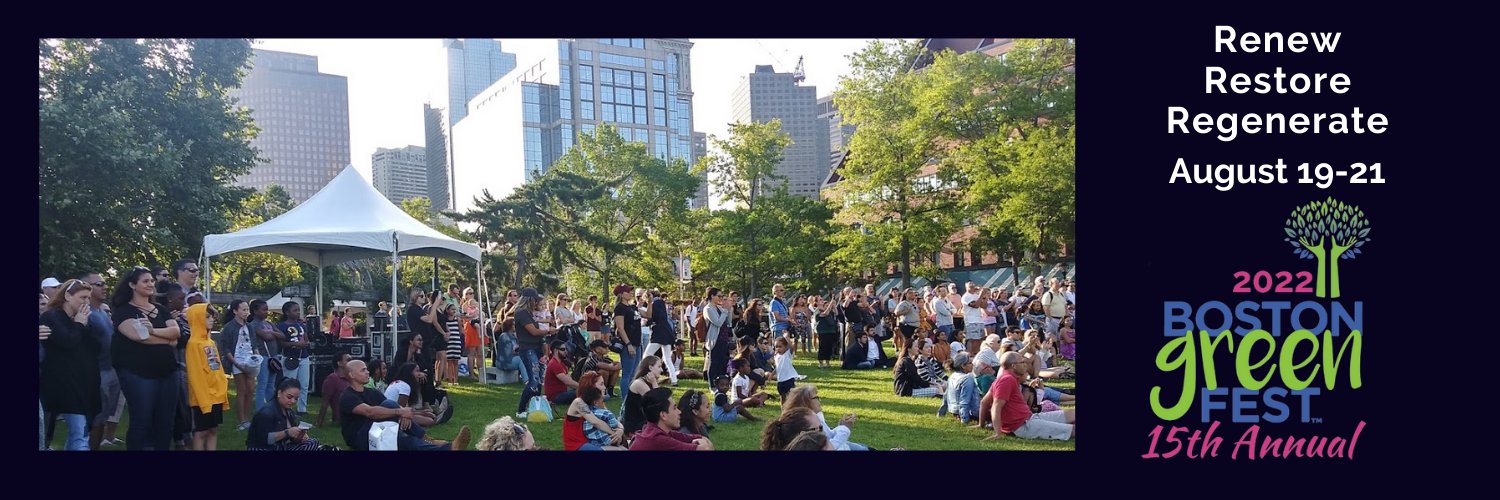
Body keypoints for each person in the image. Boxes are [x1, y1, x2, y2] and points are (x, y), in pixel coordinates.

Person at [110, 267, 181, 450]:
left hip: (167, 372)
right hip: (138, 374)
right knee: (142, 420)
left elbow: (176, 332)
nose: (151, 284)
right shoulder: (124, 311)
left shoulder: (161, 309)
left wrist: (152, 330)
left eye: (151, 281)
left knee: (165, 421)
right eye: (145, 281)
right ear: (132, 285)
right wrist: (167, 339)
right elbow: (139, 337)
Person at [339, 360, 471, 451]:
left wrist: (407, 413)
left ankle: (448, 447)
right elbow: (370, 412)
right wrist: (400, 412)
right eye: (363, 370)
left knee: (407, 440)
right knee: (392, 409)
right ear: (351, 375)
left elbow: (391, 408)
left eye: (367, 369)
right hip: (360, 436)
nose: (368, 372)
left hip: (379, 429)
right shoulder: (347, 396)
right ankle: (433, 441)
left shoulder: (372, 392)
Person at [40, 279, 103, 451]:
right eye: (82, 297)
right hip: (65, 384)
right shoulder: (52, 316)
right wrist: (79, 324)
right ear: (67, 296)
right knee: (79, 433)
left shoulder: (81, 318)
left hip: (84, 382)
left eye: (88, 298)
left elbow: (96, 347)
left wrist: (85, 324)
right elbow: (68, 342)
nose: (86, 302)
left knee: (80, 432)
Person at [78, 271, 123, 449]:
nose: (105, 287)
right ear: (86, 287)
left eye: (104, 283)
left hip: (111, 369)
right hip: (96, 372)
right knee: (93, 419)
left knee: (103, 418)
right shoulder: (85, 313)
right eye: (99, 284)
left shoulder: (102, 312)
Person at [986, 352, 1074, 441]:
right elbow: (996, 406)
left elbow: (984, 402)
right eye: (1022, 362)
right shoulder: (1007, 380)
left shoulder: (1006, 379)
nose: (1025, 364)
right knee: (1072, 429)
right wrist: (997, 433)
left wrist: (981, 424)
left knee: (1073, 414)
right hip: (1023, 426)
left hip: (1030, 418)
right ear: (1013, 366)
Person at [183, 303, 228, 450]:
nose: (211, 320)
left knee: (213, 430)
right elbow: (195, 375)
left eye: (211, 317)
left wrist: (222, 389)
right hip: (203, 397)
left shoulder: (210, 342)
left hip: (216, 395)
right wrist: (204, 400)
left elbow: (218, 368)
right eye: (207, 317)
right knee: (201, 431)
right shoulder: (193, 344)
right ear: (197, 319)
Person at [247, 379, 338, 450]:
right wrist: (287, 432)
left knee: (313, 442)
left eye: (296, 399)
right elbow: (264, 440)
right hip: (263, 448)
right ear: (279, 393)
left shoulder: (289, 412)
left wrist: (299, 436)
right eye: (289, 397)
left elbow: (293, 439)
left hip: (280, 447)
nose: (293, 401)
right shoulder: (267, 413)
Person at [218, 300, 264, 431]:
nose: (246, 312)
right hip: (237, 361)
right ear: (235, 311)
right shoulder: (229, 327)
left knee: (250, 390)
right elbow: (226, 348)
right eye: (243, 310)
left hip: (250, 361)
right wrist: (236, 363)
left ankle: (247, 420)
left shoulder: (249, 326)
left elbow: (254, 344)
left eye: (247, 309)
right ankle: (241, 420)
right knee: (242, 391)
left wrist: (257, 357)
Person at [782, 385, 869, 451]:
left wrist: (841, 426)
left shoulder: (814, 416)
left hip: (842, 445)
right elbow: (829, 446)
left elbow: (829, 435)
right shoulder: (807, 423)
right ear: (805, 402)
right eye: (816, 397)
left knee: (864, 447)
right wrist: (845, 428)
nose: (820, 400)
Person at [629, 387, 713, 450]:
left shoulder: (657, 431)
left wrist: (702, 440)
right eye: (674, 408)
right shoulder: (658, 439)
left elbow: (697, 438)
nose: (679, 412)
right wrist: (703, 443)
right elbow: (704, 449)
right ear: (663, 415)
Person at [511, 288, 549, 419]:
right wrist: (549, 331)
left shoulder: (529, 313)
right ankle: (521, 409)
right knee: (533, 380)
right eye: (535, 300)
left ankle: (535, 407)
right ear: (530, 300)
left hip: (536, 348)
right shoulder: (521, 313)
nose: (536, 302)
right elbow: (533, 331)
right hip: (528, 349)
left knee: (539, 381)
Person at [612, 283, 644, 402]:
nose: (630, 293)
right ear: (621, 294)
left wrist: (650, 302)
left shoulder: (632, 307)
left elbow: (648, 315)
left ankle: (632, 397)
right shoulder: (620, 308)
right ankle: (626, 400)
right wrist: (628, 344)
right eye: (627, 291)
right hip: (628, 344)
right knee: (627, 374)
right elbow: (620, 328)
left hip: (637, 343)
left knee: (634, 374)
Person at [620, 355, 664, 436]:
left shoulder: (648, 382)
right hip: (635, 426)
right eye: (659, 366)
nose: (661, 370)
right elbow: (658, 402)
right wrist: (654, 383)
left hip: (644, 422)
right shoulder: (639, 383)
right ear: (650, 367)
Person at [249, 300, 278, 413]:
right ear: (255, 311)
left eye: (267, 309)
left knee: (271, 384)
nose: (267, 312)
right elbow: (267, 337)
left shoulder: (269, 323)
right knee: (262, 384)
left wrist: (273, 333)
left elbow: (282, 335)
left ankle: (272, 408)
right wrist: (274, 334)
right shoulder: (253, 325)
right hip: (263, 356)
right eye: (264, 309)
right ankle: (260, 410)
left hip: (273, 356)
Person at [702, 287, 733, 383]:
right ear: (712, 296)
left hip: (724, 337)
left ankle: (721, 383)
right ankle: (712, 384)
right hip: (715, 339)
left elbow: (728, 322)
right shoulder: (708, 309)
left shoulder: (719, 308)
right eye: (719, 296)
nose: (721, 298)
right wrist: (725, 311)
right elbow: (718, 322)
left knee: (723, 362)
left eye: (722, 296)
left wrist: (729, 309)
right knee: (714, 362)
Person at [317, 352, 354, 427]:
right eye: (348, 360)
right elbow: (325, 402)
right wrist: (319, 423)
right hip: (343, 420)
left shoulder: (352, 378)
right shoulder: (332, 379)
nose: (352, 362)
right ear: (339, 363)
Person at [943, 352, 981, 424]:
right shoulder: (967, 378)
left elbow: (945, 396)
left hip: (953, 411)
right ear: (963, 366)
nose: (973, 365)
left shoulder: (952, 376)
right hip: (970, 413)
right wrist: (964, 420)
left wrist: (941, 413)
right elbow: (964, 401)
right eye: (970, 363)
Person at [812, 295, 839, 368]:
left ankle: (827, 362)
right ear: (816, 302)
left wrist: (834, 305)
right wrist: (830, 304)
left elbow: (836, 313)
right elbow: (825, 314)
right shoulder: (817, 310)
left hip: (830, 330)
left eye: (822, 299)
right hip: (822, 331)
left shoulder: (827, 309)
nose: (822, 300)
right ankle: (821, 363)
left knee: (829, 347)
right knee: (822, 347)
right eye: (820, 300)